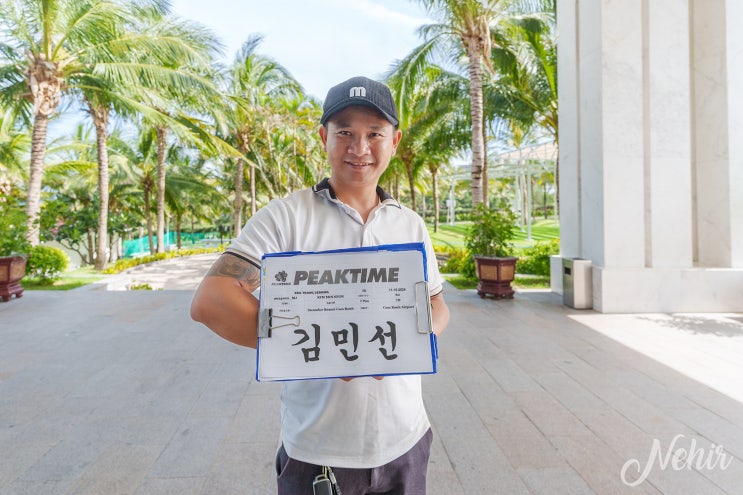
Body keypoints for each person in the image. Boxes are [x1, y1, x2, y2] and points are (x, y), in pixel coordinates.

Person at [190, 76, 450, 495]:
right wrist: (327, 351)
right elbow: (211, 301)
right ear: (323, 137)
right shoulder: (286, 217)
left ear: (395, 141)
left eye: (374, 133)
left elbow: (437, 304)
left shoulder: (410, 223)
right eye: (345, 132)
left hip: (407, 442)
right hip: (318, 454)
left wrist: (409, 342)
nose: (359, 147)